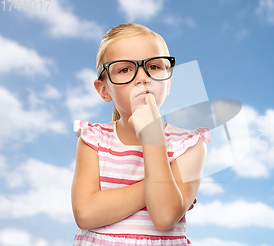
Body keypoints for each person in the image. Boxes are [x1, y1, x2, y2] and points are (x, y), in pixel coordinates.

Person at [71, 23, 210, 246]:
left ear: (169, 82)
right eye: (124, 69)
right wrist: (161, 186)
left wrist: (153, 137)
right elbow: (85, 214)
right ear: (104, 89)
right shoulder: (93, 140)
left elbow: (164, 216)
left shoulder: (189, 145)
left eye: (153, 66)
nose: (142, 77)